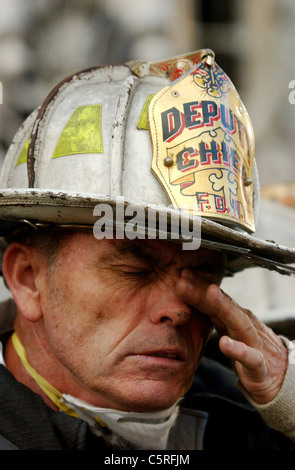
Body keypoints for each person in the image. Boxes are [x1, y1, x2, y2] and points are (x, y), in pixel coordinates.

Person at [0, 49, 295, 451]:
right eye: (135, 269)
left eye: (205, 273)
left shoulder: (248, 420)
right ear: (28, 278)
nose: (178, 309)